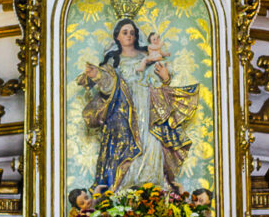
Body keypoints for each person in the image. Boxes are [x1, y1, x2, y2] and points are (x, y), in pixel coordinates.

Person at [77, 17, 199, 192]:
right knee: (126, 147)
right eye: (125, 32)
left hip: (148, 106)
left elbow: (160, 79)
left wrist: (166, 77)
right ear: (117, 36)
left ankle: (153, 187)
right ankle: (125, 190)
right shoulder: (113, 61)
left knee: (152, 142)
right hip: (123, 112)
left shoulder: (147, 55)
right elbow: (109, 85)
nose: (129, 36)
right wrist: (96, 74)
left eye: (132, 33)